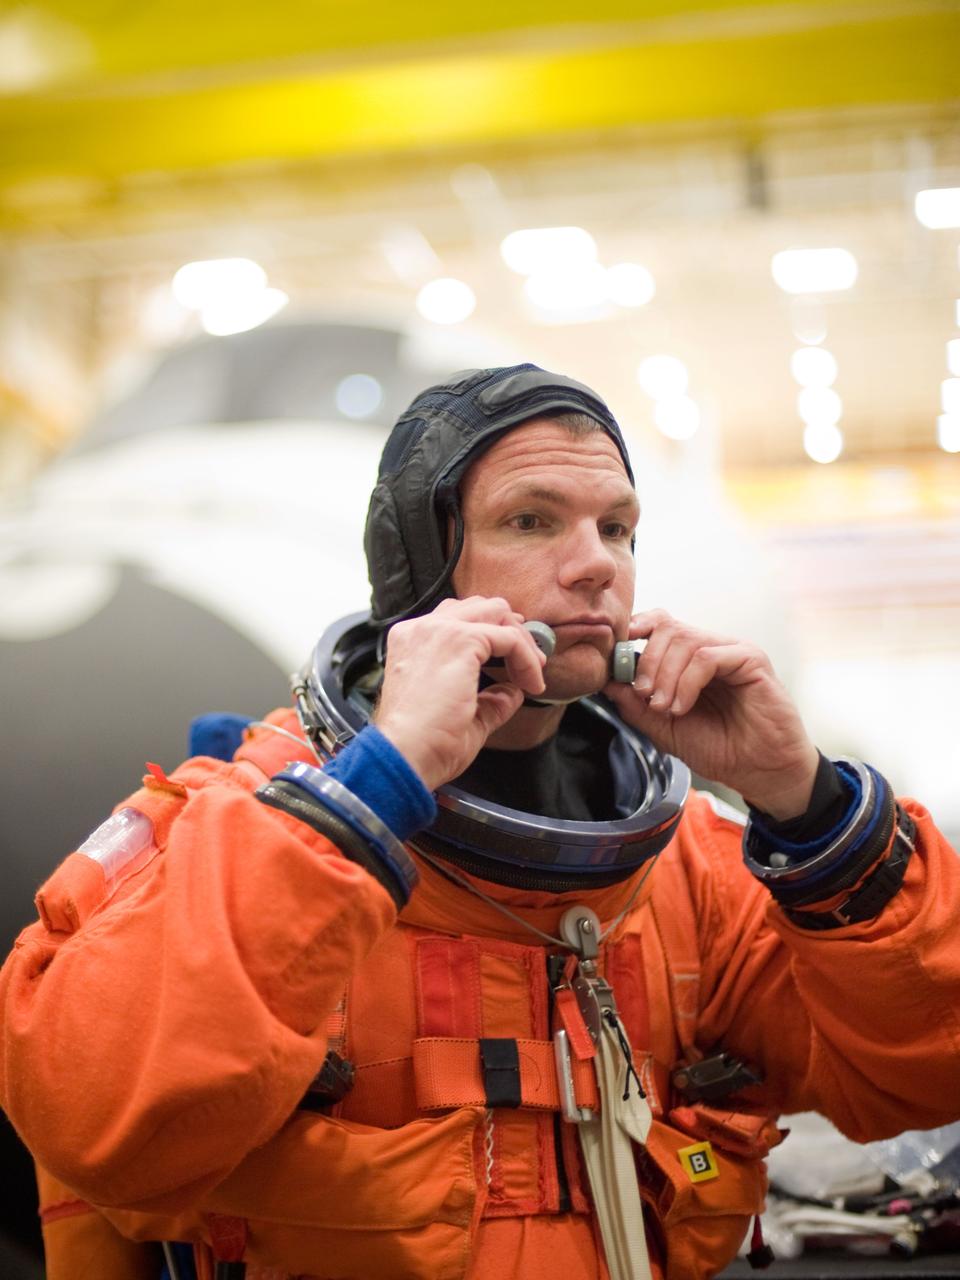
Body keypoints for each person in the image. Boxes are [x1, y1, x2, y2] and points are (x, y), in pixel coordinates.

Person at [1, 364, 958, 1280]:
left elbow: (922, 1073)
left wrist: (808, 802)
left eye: (618, 528)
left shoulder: (682, 872)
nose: (596, 568)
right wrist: (379, 784)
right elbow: (96, 1119)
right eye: (532, 521)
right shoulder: (221, 835)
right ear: (421, 571)